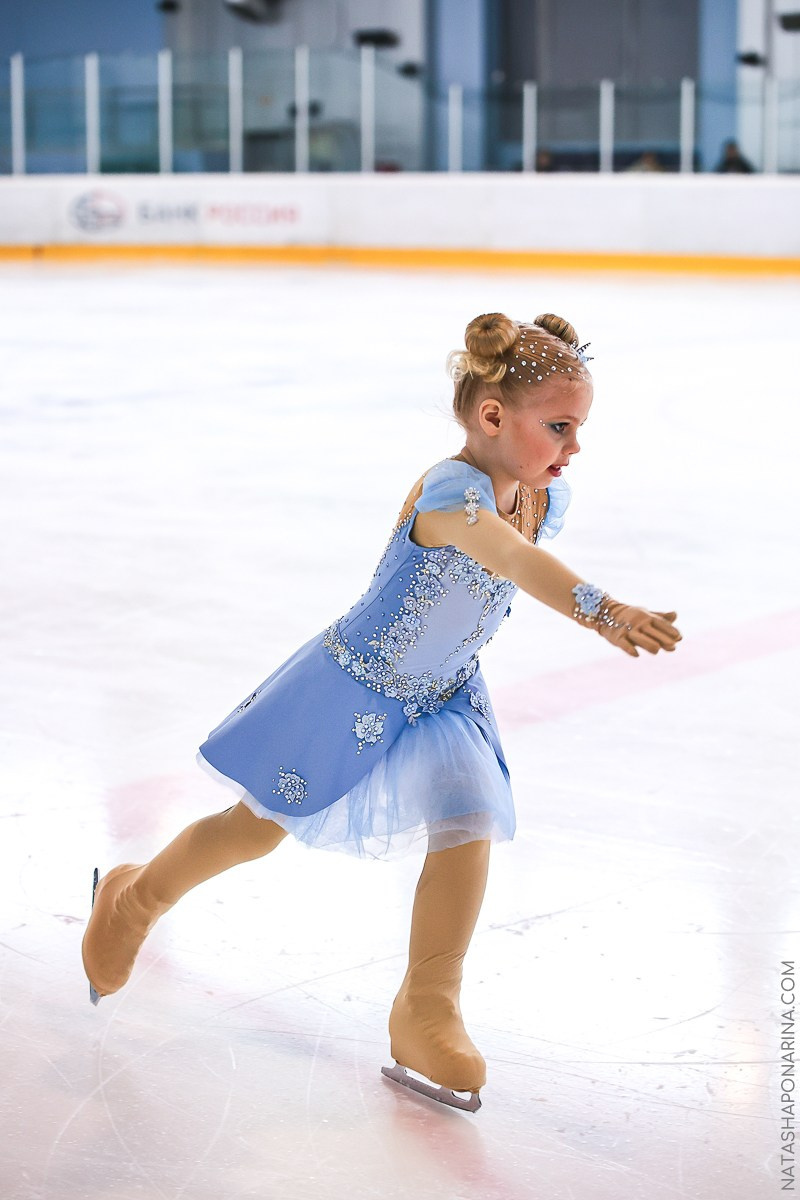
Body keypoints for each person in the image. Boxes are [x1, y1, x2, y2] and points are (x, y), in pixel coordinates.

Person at [82, 312, 681, 1112]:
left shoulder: (544, 495)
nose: (574, 447)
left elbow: (525, 548)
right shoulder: (449, 493)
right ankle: (135, 898)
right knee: (253, 828)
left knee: (468, 816)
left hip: (444, 693)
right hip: (356, 685)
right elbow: (514, 560)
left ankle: (426, 1005)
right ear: (492, 417)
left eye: (580, 427)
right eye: (561, 427)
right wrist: (603, 611)